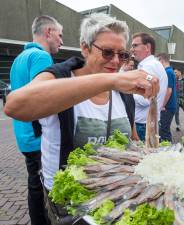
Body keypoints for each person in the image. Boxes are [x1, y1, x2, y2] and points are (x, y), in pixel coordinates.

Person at [4, 14, 159, 225]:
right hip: (67, 206)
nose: (115, 61)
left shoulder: (123, 91)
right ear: (85, 48)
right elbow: (15, 105)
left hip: (112, 200)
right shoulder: (60, 76)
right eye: (107, 52)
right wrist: (111, 80)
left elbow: (132, 138)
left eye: (122, 55)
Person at [9, 15, 63, 225]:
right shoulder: (41, 58)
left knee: (34, 184)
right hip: (37, 137)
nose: (61, 41)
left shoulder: (19, 59)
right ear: (48, 32)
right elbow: (42, 99)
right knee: (42, 188)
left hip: (24, 136)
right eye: (59, 35)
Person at [130, 32, 168, 141]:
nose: (132, 49)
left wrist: (126, 92)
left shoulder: (148, 67)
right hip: (149, 122)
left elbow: (145, 99)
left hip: (142, 124)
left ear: (147, 47)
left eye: (135, 45)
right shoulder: (154, 65)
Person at [156, 53, 177, 142]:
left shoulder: (168, 72)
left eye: (157, 61)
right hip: (169, 106)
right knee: (164, 129)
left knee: (164, 131)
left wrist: (162, 105)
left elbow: (169, 90)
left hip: (167, 107)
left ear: (161, 60)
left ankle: (168, 150)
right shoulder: (169, 71)